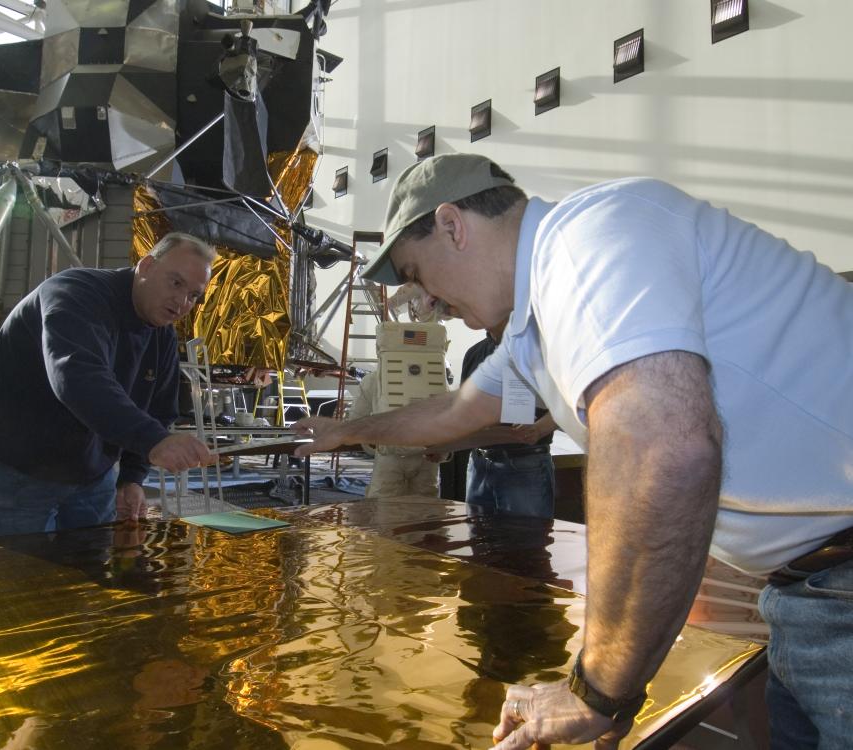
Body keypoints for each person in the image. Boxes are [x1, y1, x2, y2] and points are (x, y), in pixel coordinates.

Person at [294, 153, 853, 749]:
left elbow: (664, 453)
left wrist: (599, 689)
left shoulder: (587, 240)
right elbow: (454, 413)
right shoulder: (532, 328)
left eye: (416, 272)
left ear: (452, 226)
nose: (426, 302)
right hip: (804, 596)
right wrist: (346, 432)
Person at [0, 231, 217, 540]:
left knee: (89, 575)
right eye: (176, 283)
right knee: (8, 580)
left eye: (194, 295)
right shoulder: (75, 295)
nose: (182, 301)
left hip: (89, 469)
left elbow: (158, 409)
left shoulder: (162, 335)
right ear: (146, 267)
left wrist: (131, 478)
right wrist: (153, 440)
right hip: (8, 458)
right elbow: (77, 376)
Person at [459, 319, 557, 519]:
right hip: (479, 464)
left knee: (525, 544)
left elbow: (570, 403)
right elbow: (463, 412)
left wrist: (539, 428)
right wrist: (444, 447)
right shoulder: (474, 353)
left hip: (524, 464)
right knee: (479, 544)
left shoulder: (538, 351)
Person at [347, 369, 440, 498]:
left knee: (387, 510)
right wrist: (442, 450)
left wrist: (371, 442)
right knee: (424, 510)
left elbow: (355, 422)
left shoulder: (374, 379)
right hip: (426, 458)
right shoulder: (436, 375)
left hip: (391, 457)